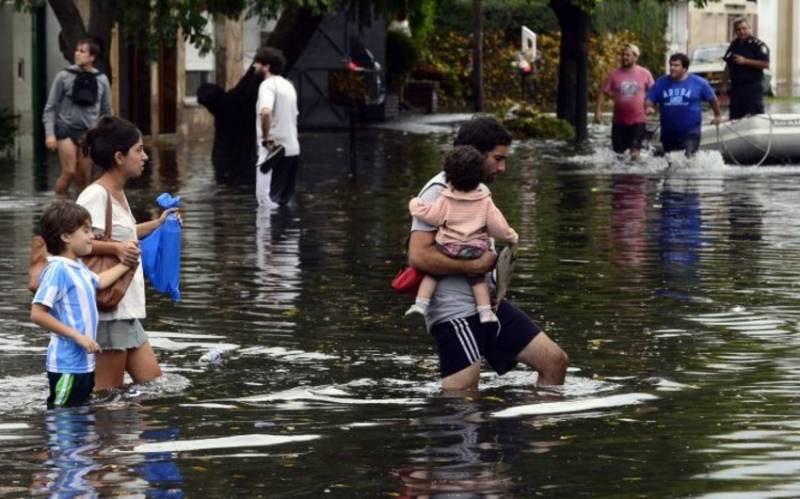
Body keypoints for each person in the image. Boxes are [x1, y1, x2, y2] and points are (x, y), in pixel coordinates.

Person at [407, 116, 568, 391]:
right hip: (455, 311)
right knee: (464, 395)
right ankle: (463, 432)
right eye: (498, 158)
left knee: (555, 361)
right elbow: (418, 256)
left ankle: (531, 431)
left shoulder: (478, 189)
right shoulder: (439, 190)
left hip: (487, 306)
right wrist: (474, 266)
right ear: (475, 153)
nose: (503, 167)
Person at [76, 116, 177, 391]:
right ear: (120, 156)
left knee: (154, 385)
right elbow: (75, 245)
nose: (144, 156)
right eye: (139, 150)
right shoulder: (95, 196)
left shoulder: (117, 193)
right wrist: (117, 248)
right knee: (107, 396)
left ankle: (125, 434)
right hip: (109, 312)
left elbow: (125, 233)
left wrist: (159, 224)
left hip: (125, 308)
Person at [30, 199, 132, 407]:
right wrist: (78, 337)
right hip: (66, 365)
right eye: (85, 231)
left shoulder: (78, 267)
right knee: (62, 417)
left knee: (79, 417)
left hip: (83, 364)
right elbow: (38, 313)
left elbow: (100, 281)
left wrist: (127, 264)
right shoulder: (58, 270)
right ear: (66, 236)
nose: (92, 236)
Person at [406, 145, 519, 324]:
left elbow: (431, 216)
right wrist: (511, 237)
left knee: (432, 275)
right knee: (477, 281)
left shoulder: (445, 198)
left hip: (448, 248)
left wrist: (415, 204)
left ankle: (420, 304)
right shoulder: (484, 200)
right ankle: (485, 313)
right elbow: (498, 227)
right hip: (475, 250)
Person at [43, 38, 112, 197]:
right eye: (77, 50)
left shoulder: (101, 80)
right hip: (66, 130)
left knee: (83, 177)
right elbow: (50, 107)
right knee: (69, 171)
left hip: (88, 133)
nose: (77, 54)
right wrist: (50, 134)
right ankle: (59, 205)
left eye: (82, 51)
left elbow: (107, 111)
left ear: (92, 57)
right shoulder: (63, 76)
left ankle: (78, 212)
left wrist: (106, 136)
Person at [645, 53, 722, 157]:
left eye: (676, 65)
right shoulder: (661, 82)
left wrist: (717, 115)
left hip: (690, 132)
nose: (672, 68)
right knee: (672, 164)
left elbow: (712, 98)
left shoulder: (699, 83)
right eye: (671, 65)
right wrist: (649, 107)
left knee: (687, 159)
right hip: (668, 133)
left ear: (685, 68)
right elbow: (650, 99)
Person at [253, 47, 300, 207]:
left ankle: (269, 233)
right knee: (285, 204)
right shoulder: (289, 85)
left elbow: (266, 112)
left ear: (266, 66)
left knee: (266, 202)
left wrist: (266, 138)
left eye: (257, 63)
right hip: (293, 151)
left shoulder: (267, 85)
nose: (254, 66)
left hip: (274, 152)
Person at [594, 43, 655, 160]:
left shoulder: (645, 73)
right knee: (619, 156)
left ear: (636, 57)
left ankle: (636, 176)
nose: (624, 57)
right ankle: (622, 177)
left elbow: (654, 92)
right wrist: (598, 111)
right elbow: (603, 93)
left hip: (638, 120)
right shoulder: (613, 74)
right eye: (622, 55)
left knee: (634, 153)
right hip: (619, 121)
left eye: (627, 55)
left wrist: (650, 106)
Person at [720, 17, 770, 120]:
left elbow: (765, 64)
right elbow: (728, 65)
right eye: (738, 29)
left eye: (744, 28)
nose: (742, 31)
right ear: (735, 31)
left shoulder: (758, 45)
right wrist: (724, 84)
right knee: (735, 118)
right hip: (736, 88)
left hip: (752, 88)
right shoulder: (734, 45)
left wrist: (745, 61)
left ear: (749, 28)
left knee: (755, 117)